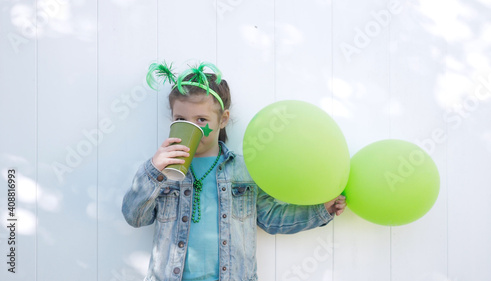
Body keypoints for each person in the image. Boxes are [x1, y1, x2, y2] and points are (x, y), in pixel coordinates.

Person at [121, 62, 346, 281]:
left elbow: (272, 218)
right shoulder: (161, 172)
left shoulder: (244, 171)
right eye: (181, 119)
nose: (193, 127)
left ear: (223, 120)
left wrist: (321, 210)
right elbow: (136, 218)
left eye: (201, 119)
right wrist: (153, 171)